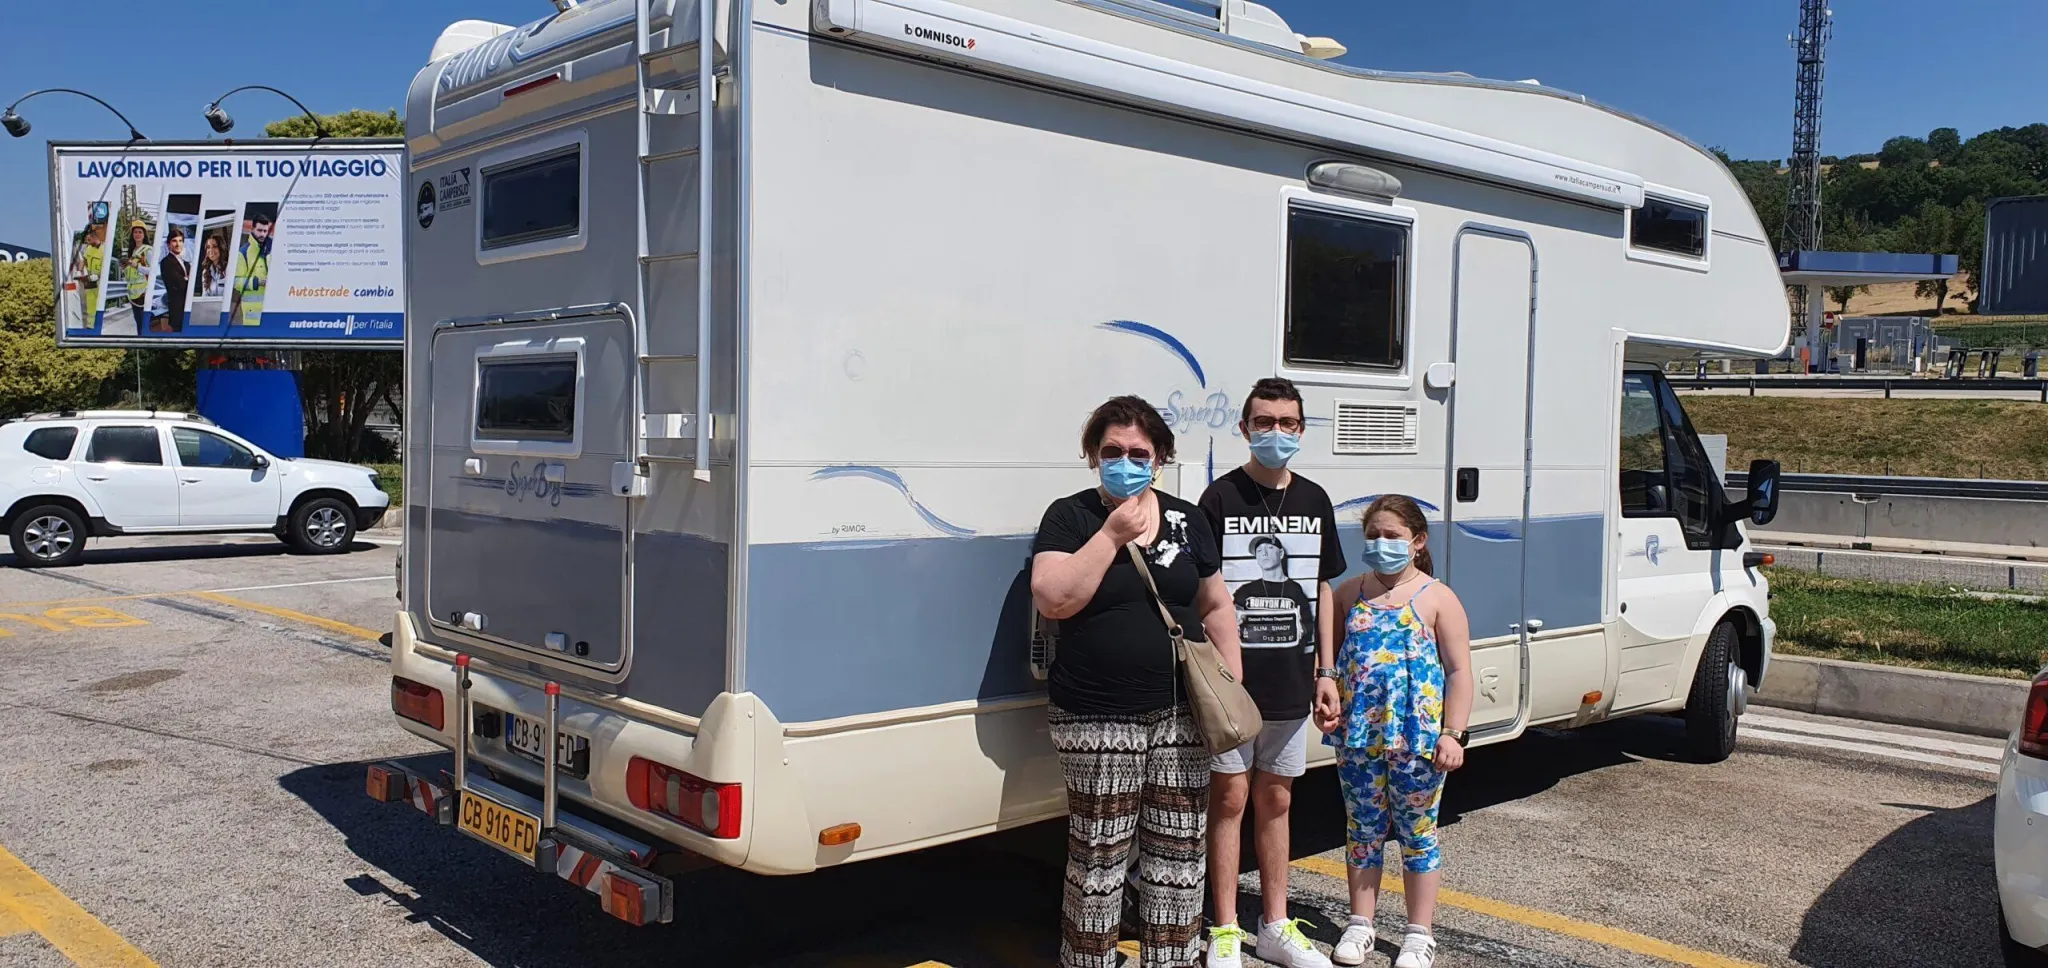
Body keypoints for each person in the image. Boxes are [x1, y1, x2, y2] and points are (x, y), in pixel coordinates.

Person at [1031, 394, 1246, 968]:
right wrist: (1109, 536)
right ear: (1093, 456)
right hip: (1096, 717)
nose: (1124, 462)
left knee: (1179, 857)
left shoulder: (1187, 519)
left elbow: (1215, 604)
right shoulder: (1070, 516)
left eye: (1137, 453)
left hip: (1182, 714)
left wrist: (1232, 681)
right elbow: (1052, 598)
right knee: (1099, 858)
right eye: (1112, 451)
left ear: (1160, 459)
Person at [1197, 378, 1347, 968]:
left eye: (1287, 423)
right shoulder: (1219, 498)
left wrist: (1326, 670)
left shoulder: (1315, 499)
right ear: (1244, 428)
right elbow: (1204, 593)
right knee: (1230, 797)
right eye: (1264, 422)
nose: (1275, 433)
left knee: (1277, 798)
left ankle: (1275, 925)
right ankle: (1225, 927)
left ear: (1302, 430)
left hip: (1291, 679)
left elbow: (1323, 589)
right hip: (1230, 685)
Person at [1316, 495, 1475, 968]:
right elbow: (1329, 662)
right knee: (1362, 830)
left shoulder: (1438, 597)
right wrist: (1325, 697)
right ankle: (1360, 924)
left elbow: (1459, 671)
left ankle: (1419, 934)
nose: (1381, 543)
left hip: (1418, 740)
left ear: (1417, 541)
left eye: (1392, 536)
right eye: (1373, 535)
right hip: (1359, 737)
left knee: (1417, 834)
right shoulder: (1349, 594)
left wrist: (1454, 733)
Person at [231, 210, 274, 327]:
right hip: (252, 318)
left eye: (265, 231)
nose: (262, 234)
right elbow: (235, 282)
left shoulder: (271, 250)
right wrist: (257, 282)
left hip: (271, 313)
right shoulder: (242, 253)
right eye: (259, 230)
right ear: (252, 229)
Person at [155, 228, 190, 333]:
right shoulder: (166, 262)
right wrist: (187, 279)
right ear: (169, 245)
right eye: (174, 241)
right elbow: (180, 285)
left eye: (180, 241)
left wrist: (186, 279)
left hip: (188, 307)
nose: (178, 244)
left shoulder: (186, 264)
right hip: (176, 309)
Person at [123, 221, 152, 329]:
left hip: (143, 292)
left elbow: (153, 271)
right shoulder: (132, 251)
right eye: (135, 232)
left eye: (140, 232)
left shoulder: (148, 250)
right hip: (132, 293)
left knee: (143, 323)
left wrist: (137, 267)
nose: (137, 234)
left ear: (144, 234)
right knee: (138, 322)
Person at [197, 233, 229, 299]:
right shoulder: (205, 272)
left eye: (215, 246)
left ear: (221, 248)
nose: (211, 250)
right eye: (208, 247)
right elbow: (205, 296)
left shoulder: (229, 268)